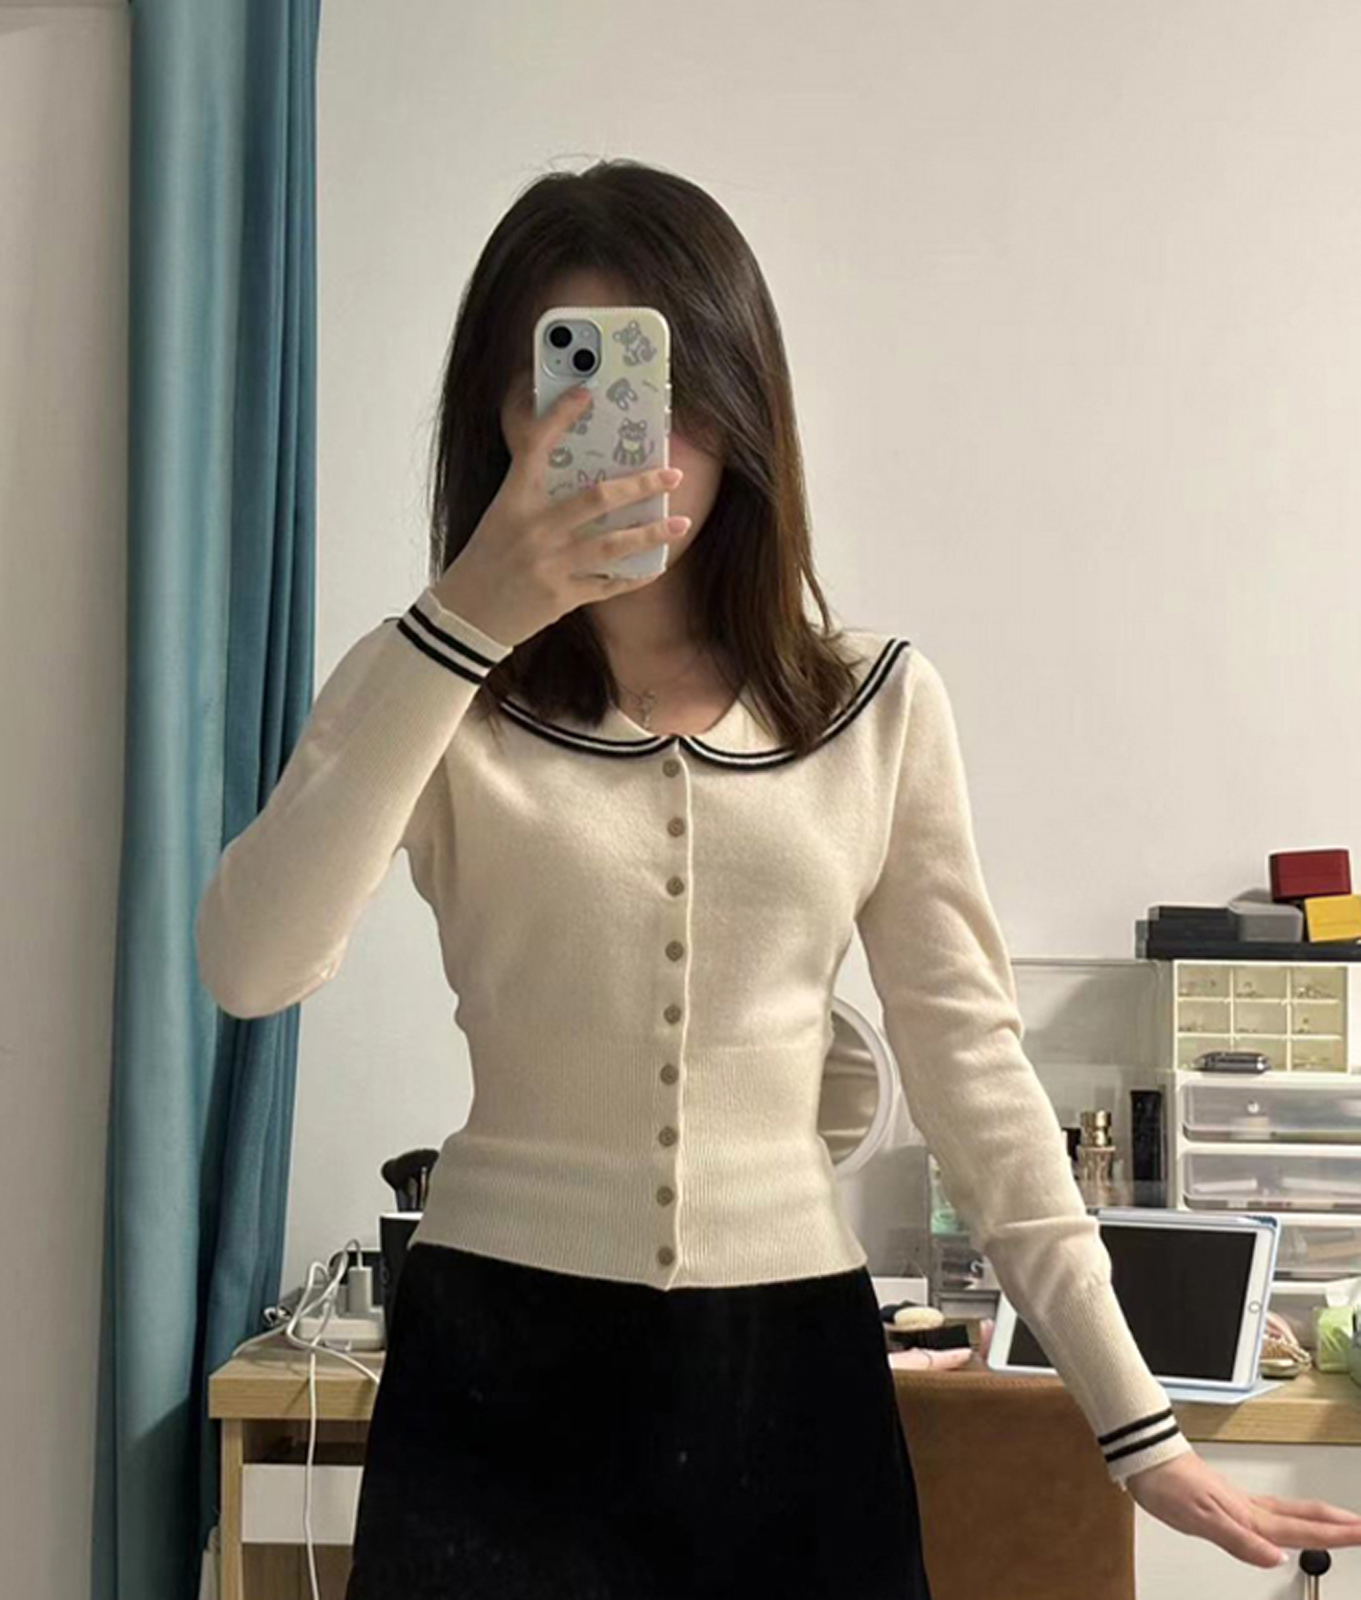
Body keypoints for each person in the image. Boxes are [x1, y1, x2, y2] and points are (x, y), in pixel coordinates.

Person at [196, 159, 1361, 1598]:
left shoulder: (876, 704)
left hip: (791, 1385)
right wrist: (466, 617)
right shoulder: (427, 688)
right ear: (497, 419)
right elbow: (251, 964)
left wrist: (1140, 1429)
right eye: (568, 386)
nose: (637, 442)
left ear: (745, 409)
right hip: (496, 1377)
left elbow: (972, 1074)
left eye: (672, 389)